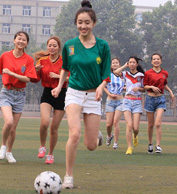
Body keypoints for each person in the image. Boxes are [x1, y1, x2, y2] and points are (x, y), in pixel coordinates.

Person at [51, 0, 111, 189]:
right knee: (74, 134)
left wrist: (101, 87)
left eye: (87, 22)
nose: (83, 26)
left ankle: (96, 135)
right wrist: (60, 86)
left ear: (93, 23)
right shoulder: (69, 45)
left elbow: (106, 74)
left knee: (91, 145)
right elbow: (64, 68)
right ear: (76, 23)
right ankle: (68, 176)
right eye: (80, 22)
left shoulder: (102, 46)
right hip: (74, 94)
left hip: (94, 96)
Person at [0, 31, 37, 163]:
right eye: (19, 39)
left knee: (13, 128)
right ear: (14, 40)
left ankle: (9, 152)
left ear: (27, 43)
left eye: (24, 40)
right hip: (6, 93)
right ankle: (3, 146)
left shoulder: (28, 60)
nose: (21, 41)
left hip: (20, 94)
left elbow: (28, 79)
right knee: (9, 122)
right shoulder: (5, 56)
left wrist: (11, 73)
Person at [31, 36, 69, 164]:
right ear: (47, 47)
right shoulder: (42, 60)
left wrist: (58, 76)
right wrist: (35, 71)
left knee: (54, 128)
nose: (51, 48)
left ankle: (51, 154)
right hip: (47, 93)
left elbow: (73, 77)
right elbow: (35, 79)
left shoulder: (64, 61)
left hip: (61, 94)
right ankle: (42, 146)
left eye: (54, 45)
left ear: (59, 47)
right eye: (49, 45)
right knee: (45, 122)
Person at [143, 53, 174, 154]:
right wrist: (152, 87)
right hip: (150, 99)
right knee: (151, 124)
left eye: (158, 59)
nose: (156, 61)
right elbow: (145, 86)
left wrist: (171, 92)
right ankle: (150, 144)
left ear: (161, 61)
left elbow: (164, 84)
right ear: (151, 61)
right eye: (154, 59)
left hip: (161, 99)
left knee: (158, 123)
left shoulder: (165, 73)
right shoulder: (148, 73)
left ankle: (158, 146)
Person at [114, 56, 145, 155]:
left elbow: (144, 89)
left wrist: (139, 89)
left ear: (137, 64)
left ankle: (135, 136)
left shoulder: (141, 75)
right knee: (129, 125)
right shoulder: (125, 74)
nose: (131, 64)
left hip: (137, 101)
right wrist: (124, 65)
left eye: (133, 62)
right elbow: (116, 72)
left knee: (135, 128)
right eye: (130, 62)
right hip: (127, 100)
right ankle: (129, 147)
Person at [104, 58, 124, 150]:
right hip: (110, 101)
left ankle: (115, 143)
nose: (115, 64)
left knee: (116, 121)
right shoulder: (108, 74)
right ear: (110, 65)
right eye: (113, 63)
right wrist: (109, 94)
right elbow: (103, 86)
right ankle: (109, 136)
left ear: (119, 64)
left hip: (120, 101)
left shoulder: (123, 75)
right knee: (109, 124)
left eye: (117, 63)